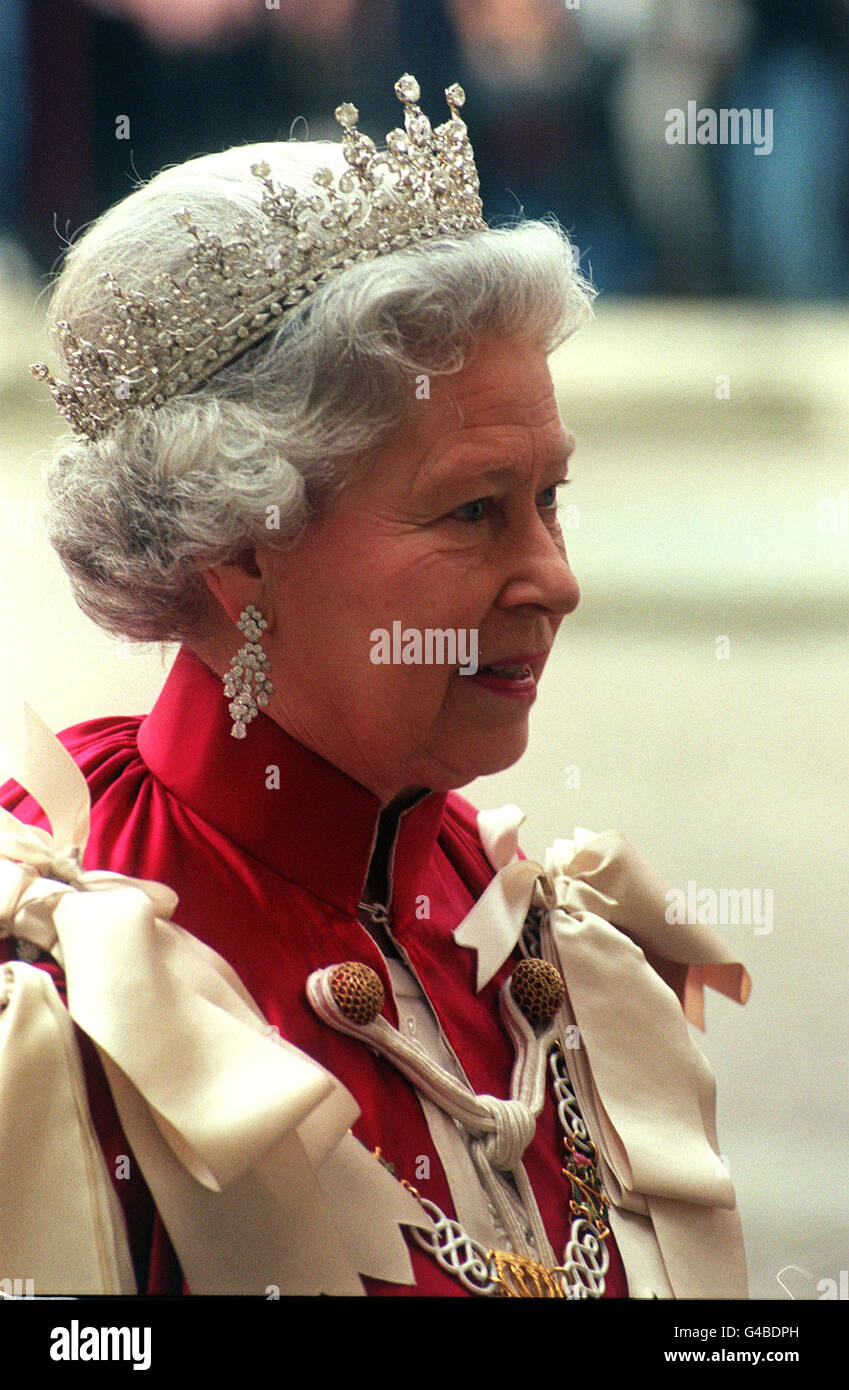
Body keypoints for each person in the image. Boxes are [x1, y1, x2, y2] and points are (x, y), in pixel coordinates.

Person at [0, 74, 749, 1298]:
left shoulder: (552, 949)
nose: (553, 580)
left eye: (549, 498)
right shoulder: (61, 990)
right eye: (474, 510)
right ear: (241, 547)